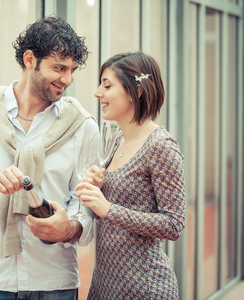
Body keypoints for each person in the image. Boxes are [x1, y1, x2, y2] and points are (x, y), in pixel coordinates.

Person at [0, 16, 98, 299]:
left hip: (53, 281)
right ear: (30, 60)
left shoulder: (82, 126)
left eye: (72, 70)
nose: (68, 79)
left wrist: (70, 228)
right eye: (59, 68)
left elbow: (86, 202)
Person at [75, 51, 186, 299]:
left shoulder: (161, 146)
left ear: (136, 92)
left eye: (107, 85)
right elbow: (131, 194)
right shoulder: (118, 139)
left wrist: (108, 209)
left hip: (144, 288)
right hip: (105, 284)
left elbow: (174, 224)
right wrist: (102, 183)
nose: (97, 93)